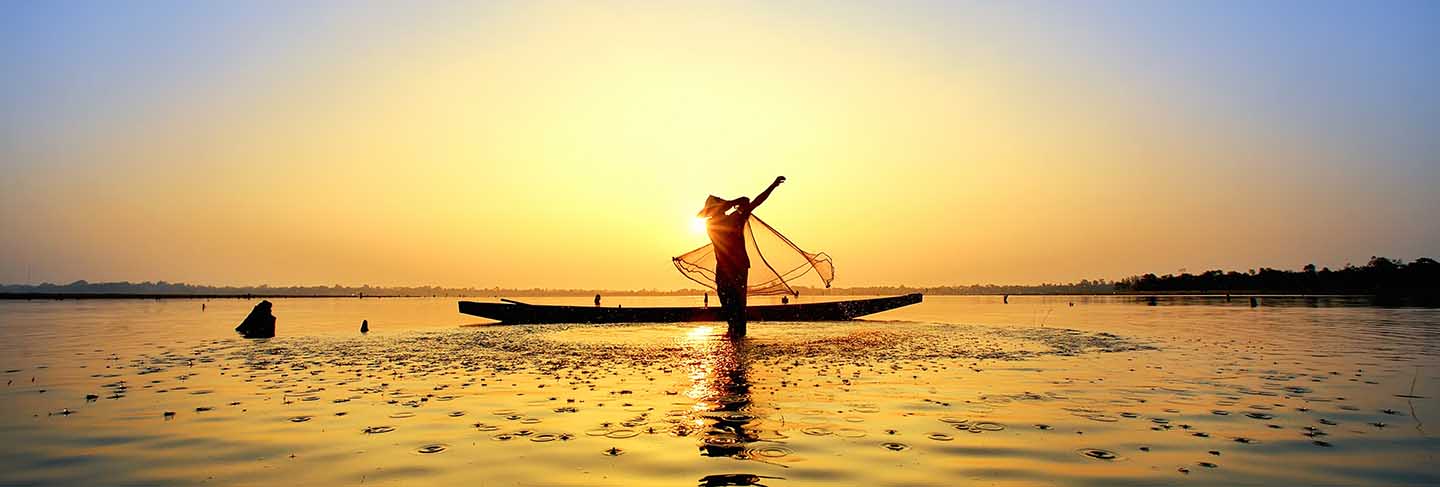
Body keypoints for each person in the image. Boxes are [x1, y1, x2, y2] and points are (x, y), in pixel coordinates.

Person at [697, 176, 785, 336]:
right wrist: (735, 202)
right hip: (725, 269)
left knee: (737, 303)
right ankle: (733, 331)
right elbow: (746, 202)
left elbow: (755, 202)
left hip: (737, 268)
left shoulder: (734, 218)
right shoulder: (715, 224)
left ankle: (737, 333)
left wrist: (772, 186)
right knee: (727, 302)